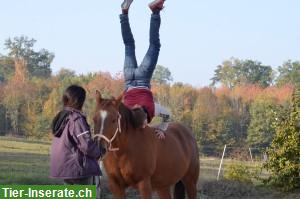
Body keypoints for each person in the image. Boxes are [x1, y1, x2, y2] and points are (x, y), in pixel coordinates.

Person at [120, 0, 170, 138]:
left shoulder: (152, 108)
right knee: (128, 45)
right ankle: (124, 13)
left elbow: (167, 115)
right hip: (129, 78)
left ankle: (155, 12)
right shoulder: (125, 112)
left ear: (143, 124)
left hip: (143, 78)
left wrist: (162, 129)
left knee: (154, 45)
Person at [50, 85, 102, 185]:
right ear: (79, 100)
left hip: (63, 167)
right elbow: (86, 145)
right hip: (77, 169)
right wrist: (99, 152)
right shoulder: (76, 119)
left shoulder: (62, 117)